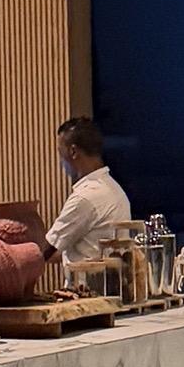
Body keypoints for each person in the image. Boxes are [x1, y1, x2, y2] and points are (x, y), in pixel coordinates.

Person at [43, 116, 130, 270]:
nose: (60, 161)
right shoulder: (116, 190)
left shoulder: (85, 197)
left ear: (73, 151)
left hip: (88, 284)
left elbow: (47, 251)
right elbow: (62, 250)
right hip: (114, 280)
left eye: (60, 152)